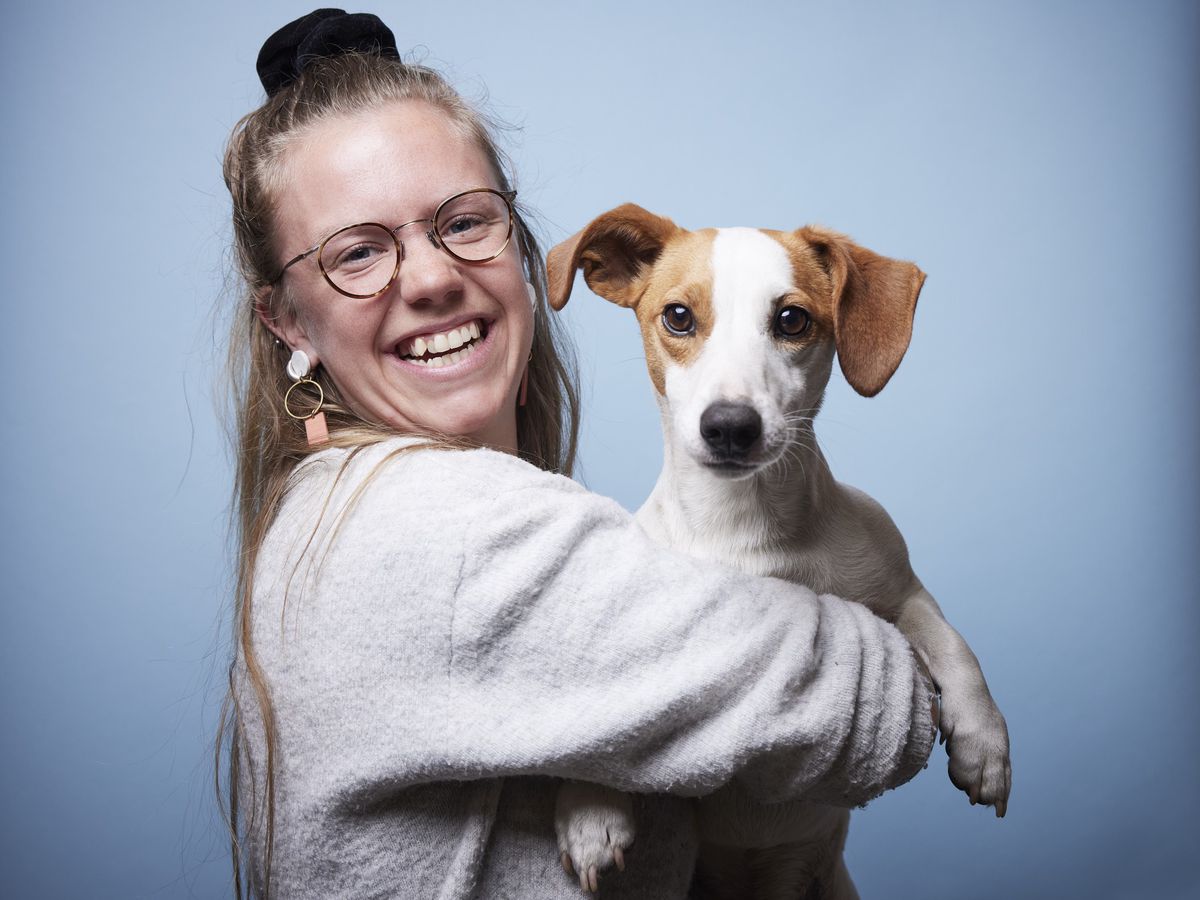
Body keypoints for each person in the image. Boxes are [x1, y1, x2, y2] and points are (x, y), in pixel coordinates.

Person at [218, 9, 937, 899]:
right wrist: (905, 634)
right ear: (287, 319)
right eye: (358, 252)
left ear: (521, 250)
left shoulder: (336, 512)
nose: (434, 277)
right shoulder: (444, 535)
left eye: (464, 222)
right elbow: (882, 711)